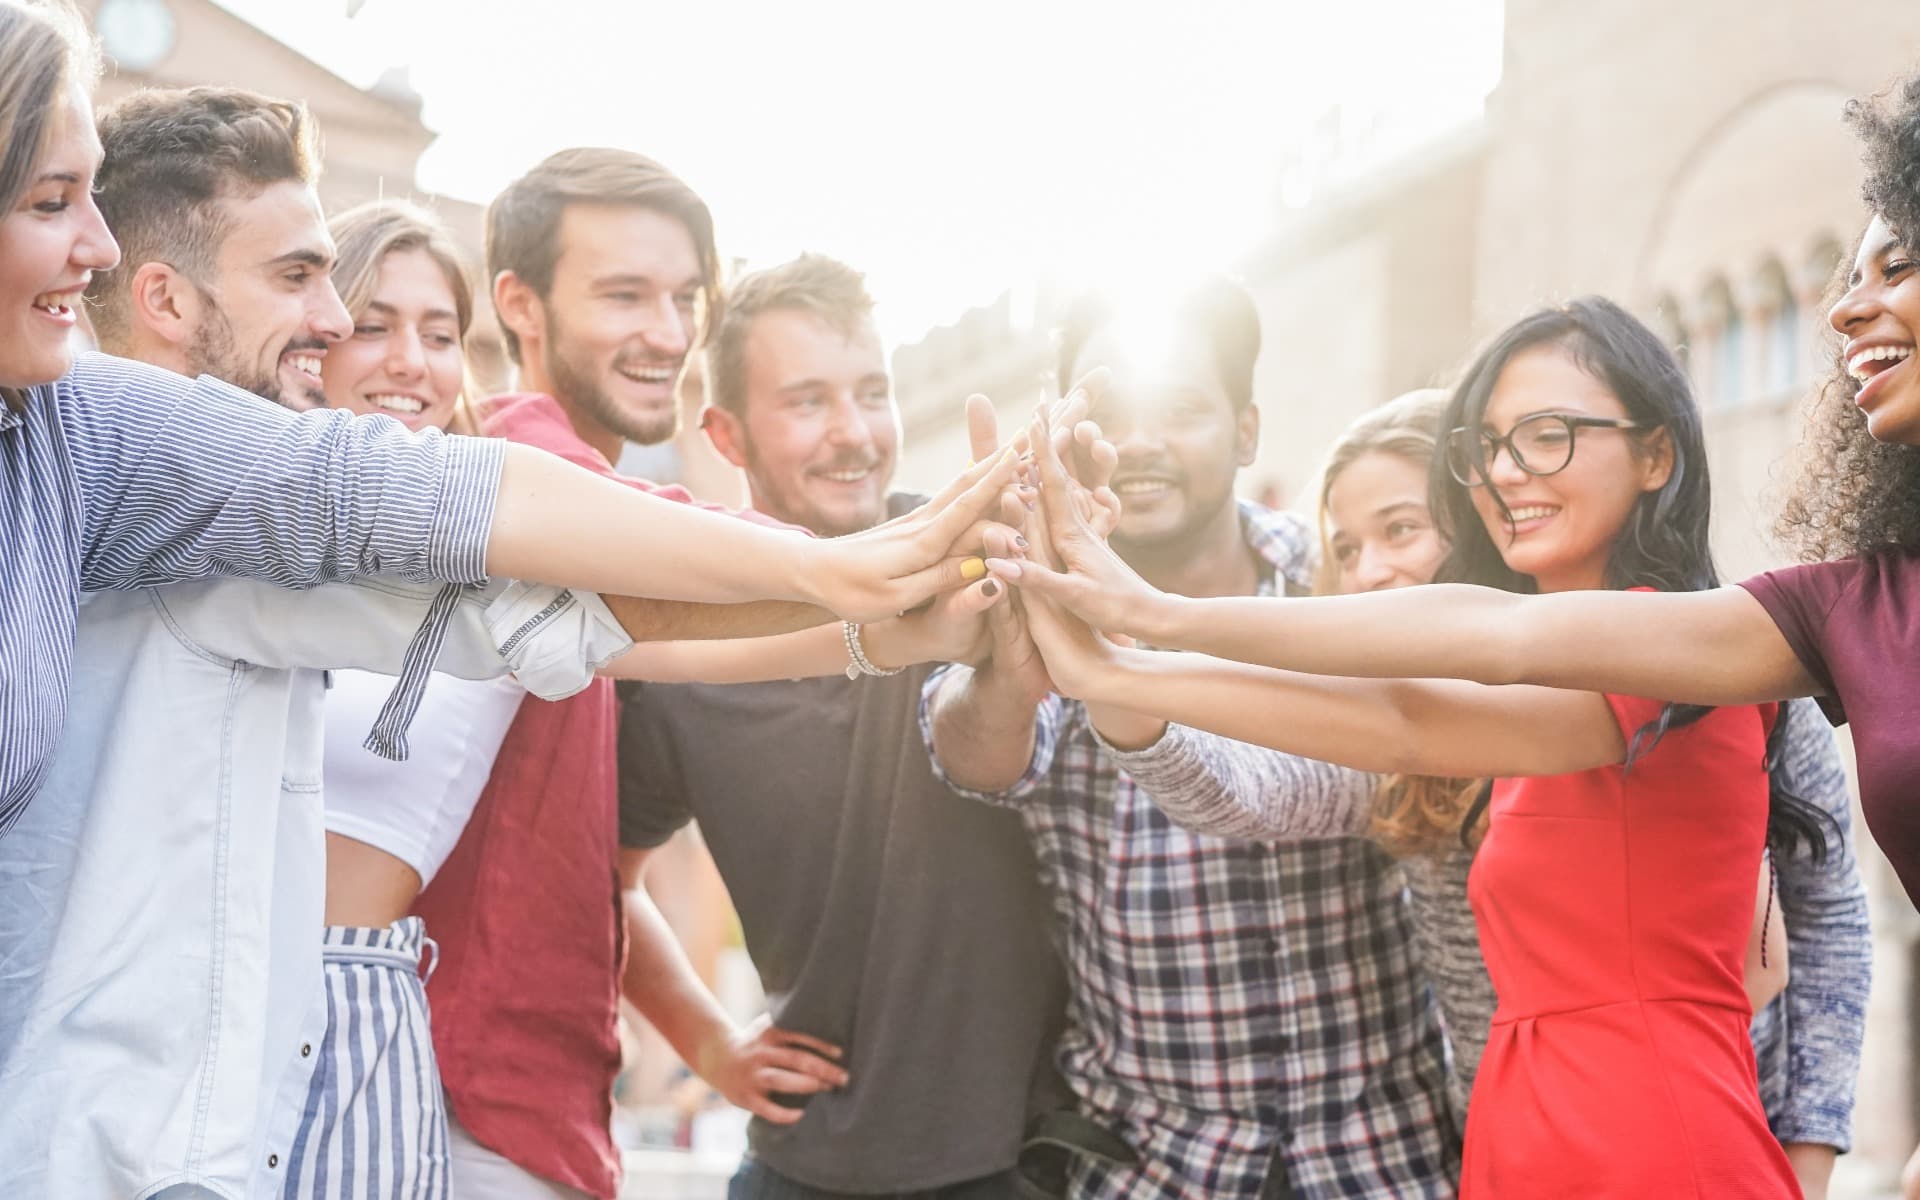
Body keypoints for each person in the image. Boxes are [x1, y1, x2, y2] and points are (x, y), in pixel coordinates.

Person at [0, 0, 1024, 850]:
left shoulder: (100, 450)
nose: (92, 245)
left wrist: (870, 614)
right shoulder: (126, 448)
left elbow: (547, 611)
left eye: (442, 333)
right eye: (52, 201)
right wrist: (835, 579)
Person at [997, 296, 1834, 1198]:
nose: (1510, 472)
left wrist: (1152, 619)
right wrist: (1112, 673)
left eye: (1548, 434)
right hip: (1521, 1134)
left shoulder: (1678, 650)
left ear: (1656, 451)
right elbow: (1393, 723)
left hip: (1645, 1140)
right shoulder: (1538, 706)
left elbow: (1466, 657)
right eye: (1488, 446)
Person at [923, 280, 1459, 1199]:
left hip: (1392, 1154)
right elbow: (970, 752)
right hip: (1158, 1164)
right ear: (1063, 432)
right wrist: (1018, 665)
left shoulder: (1343, 578)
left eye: (1182, 410)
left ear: (1247, 431)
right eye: (1113, 413)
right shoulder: (1034, 594)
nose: (1140, 443)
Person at [617, 255, 1066, 1200]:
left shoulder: (983, 567)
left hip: (1025, 1161)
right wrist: (708, 1040)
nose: (854, 434)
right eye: (809, 402)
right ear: (727, 433)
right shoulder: (682, 657)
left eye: (872, 393)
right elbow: (604, 885)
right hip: (802, 1165)